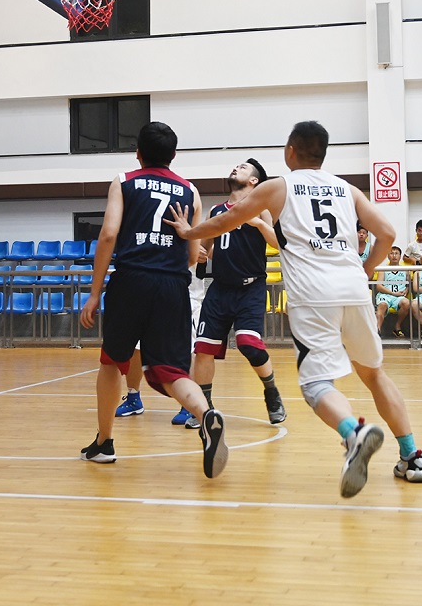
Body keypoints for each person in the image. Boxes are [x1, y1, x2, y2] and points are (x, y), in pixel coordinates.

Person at [165, 120, 422, 497]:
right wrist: (366, 269)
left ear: (290, 150)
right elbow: (386, 234)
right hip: (354, 289)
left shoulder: (278, 187)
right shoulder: (347, 189)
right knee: (374, 375)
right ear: (323, 153)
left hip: (314, 295)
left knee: (316, 385)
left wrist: (188, 232)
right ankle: (413, 456)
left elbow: (225, 220)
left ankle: (353, 433)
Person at [79, 121, 228, 479]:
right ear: (173, 155)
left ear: (137, 152)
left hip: (131, 281)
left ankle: (104, 443)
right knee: (171, 372)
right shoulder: (190, 191)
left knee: (112, 362)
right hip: (173, 286)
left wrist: (95, 292)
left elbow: (109, 234)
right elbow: (192, 256)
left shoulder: (124, 181)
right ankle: (205, 414)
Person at [184, 159, 286, 429]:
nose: (236, 168)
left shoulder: (261, 209)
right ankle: (203, 410)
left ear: (254, 181)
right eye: (236, 166)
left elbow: (278, 242)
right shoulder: (217, 210)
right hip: (220, 288)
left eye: (243, 168)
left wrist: (258, 224)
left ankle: (272, 392)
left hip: (251, 287)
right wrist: (201, 252)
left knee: (248, 344)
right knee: (203, 349)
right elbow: (207, 247)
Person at [114, 252, 208, 423]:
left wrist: (204, 251)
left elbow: (210, 247)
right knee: (136, 346)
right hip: (151, 291)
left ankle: (189, 405)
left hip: (187, 294)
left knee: (187, 349)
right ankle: (133, 398)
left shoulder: (196, 234)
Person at [374, 245, 410, 336]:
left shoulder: (405, 270)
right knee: (382, 306)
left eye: (396, 253)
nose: (394, 256)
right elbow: (378, 286)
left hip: (399, 297)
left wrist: (406, 290)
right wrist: (392, 293)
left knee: (406, 303)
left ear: (400, 256)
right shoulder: (383, 269)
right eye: (391, 253)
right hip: (385, 295)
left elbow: (408, 284)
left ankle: (397, 325)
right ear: (388, 256)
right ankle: (377, 330)